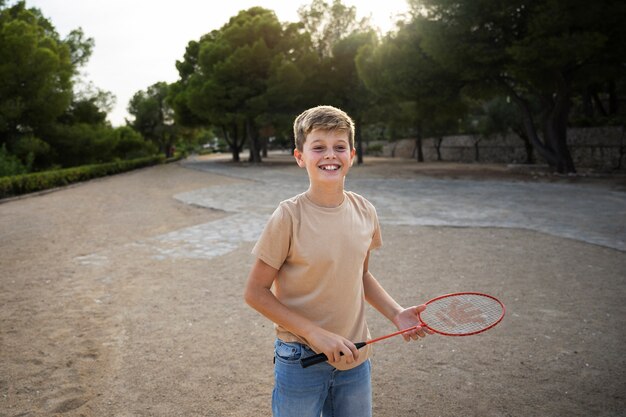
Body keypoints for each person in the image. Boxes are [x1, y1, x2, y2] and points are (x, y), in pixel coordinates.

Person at [244, 105, 429, 417]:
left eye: (339, 147)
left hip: (356, 358)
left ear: (352, 155)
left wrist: (396, 313)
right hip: (300, 357)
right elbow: (255, 292)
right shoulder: (288, 216)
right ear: (300, 156)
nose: (330, 155)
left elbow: (362, 275)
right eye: (318, 147)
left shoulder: (366, 211)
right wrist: (314, 334)